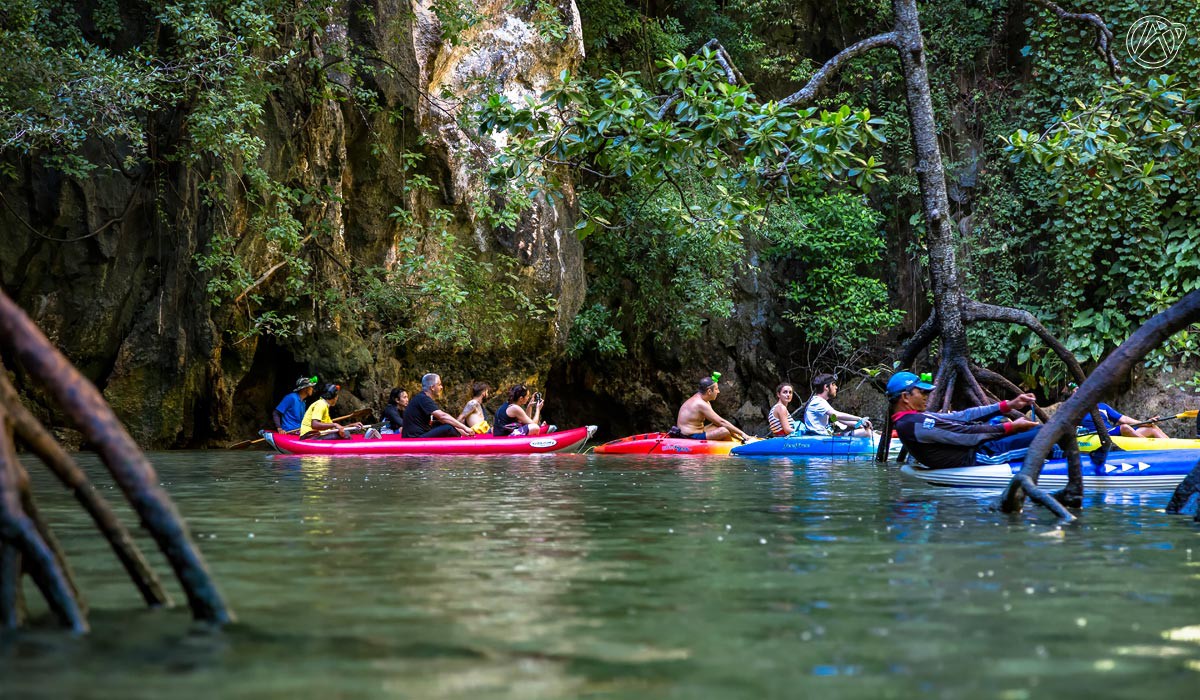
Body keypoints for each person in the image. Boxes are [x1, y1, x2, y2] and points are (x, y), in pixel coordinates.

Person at [888, 370, 1040, 469]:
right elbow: (966, 434)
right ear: (905, 397)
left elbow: (963, 417)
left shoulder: (914, 420)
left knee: (1040, 431)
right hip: (982, 456)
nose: (925, 396)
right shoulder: (912, 424)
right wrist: (1010, 427)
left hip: (982, 448)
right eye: (921, 392)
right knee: (1044, 435)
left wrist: (1008, 405)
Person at [1066, 383, 1169, 439]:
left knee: (1152, 427)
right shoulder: (1073, 411)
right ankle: (1150, 446)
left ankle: (1173, 446)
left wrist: (1146, 423)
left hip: (1111, 432)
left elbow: (1124, 419)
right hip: (1098, 435)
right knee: (1124, 427)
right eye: (1075, 391)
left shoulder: (1102, 406)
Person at [673, 374, 749, 442]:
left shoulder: (704, 400)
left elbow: (718, 422)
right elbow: (721, 422)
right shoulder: (700, 403)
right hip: (689, 436)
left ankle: (740, 439)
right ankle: (732, 447)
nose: (718, 391)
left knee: (719, 426)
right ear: (709, 391)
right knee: (723, 431)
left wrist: (741, 434)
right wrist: (743, 433)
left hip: (698, 431)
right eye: (716, 389)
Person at [801, 373, 873, 437]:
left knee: (868, 432)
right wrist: (859, 418)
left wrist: (858, 424)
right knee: (867, 433)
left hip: (824, 437)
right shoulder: (818, 402)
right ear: (826, 387)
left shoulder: (819, 402)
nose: (836, 387)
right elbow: (837, 415)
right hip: (820, 438)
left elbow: (836, 419)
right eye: (833, 384)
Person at [404, 373, 472, 438]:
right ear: (432, 387)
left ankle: (464, 436)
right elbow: (443, 416)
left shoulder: (423, 398)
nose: (441, 387)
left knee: (441, 424)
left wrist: (463, 432)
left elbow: (442, 421)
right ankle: (463, 442)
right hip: (414, 438)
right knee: (448, 428)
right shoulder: (423, 399)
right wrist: (465, 428)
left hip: (419, 434)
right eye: (439, 384)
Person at [300, 383, 364, 439]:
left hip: (315, 435)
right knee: (346, 434)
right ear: (335, 397)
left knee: (344, 432)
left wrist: (351, 426)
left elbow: (335, 428)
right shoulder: (321, 404)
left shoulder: (325, 406)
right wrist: (335, 424)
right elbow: (314, 424)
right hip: (309, 436)